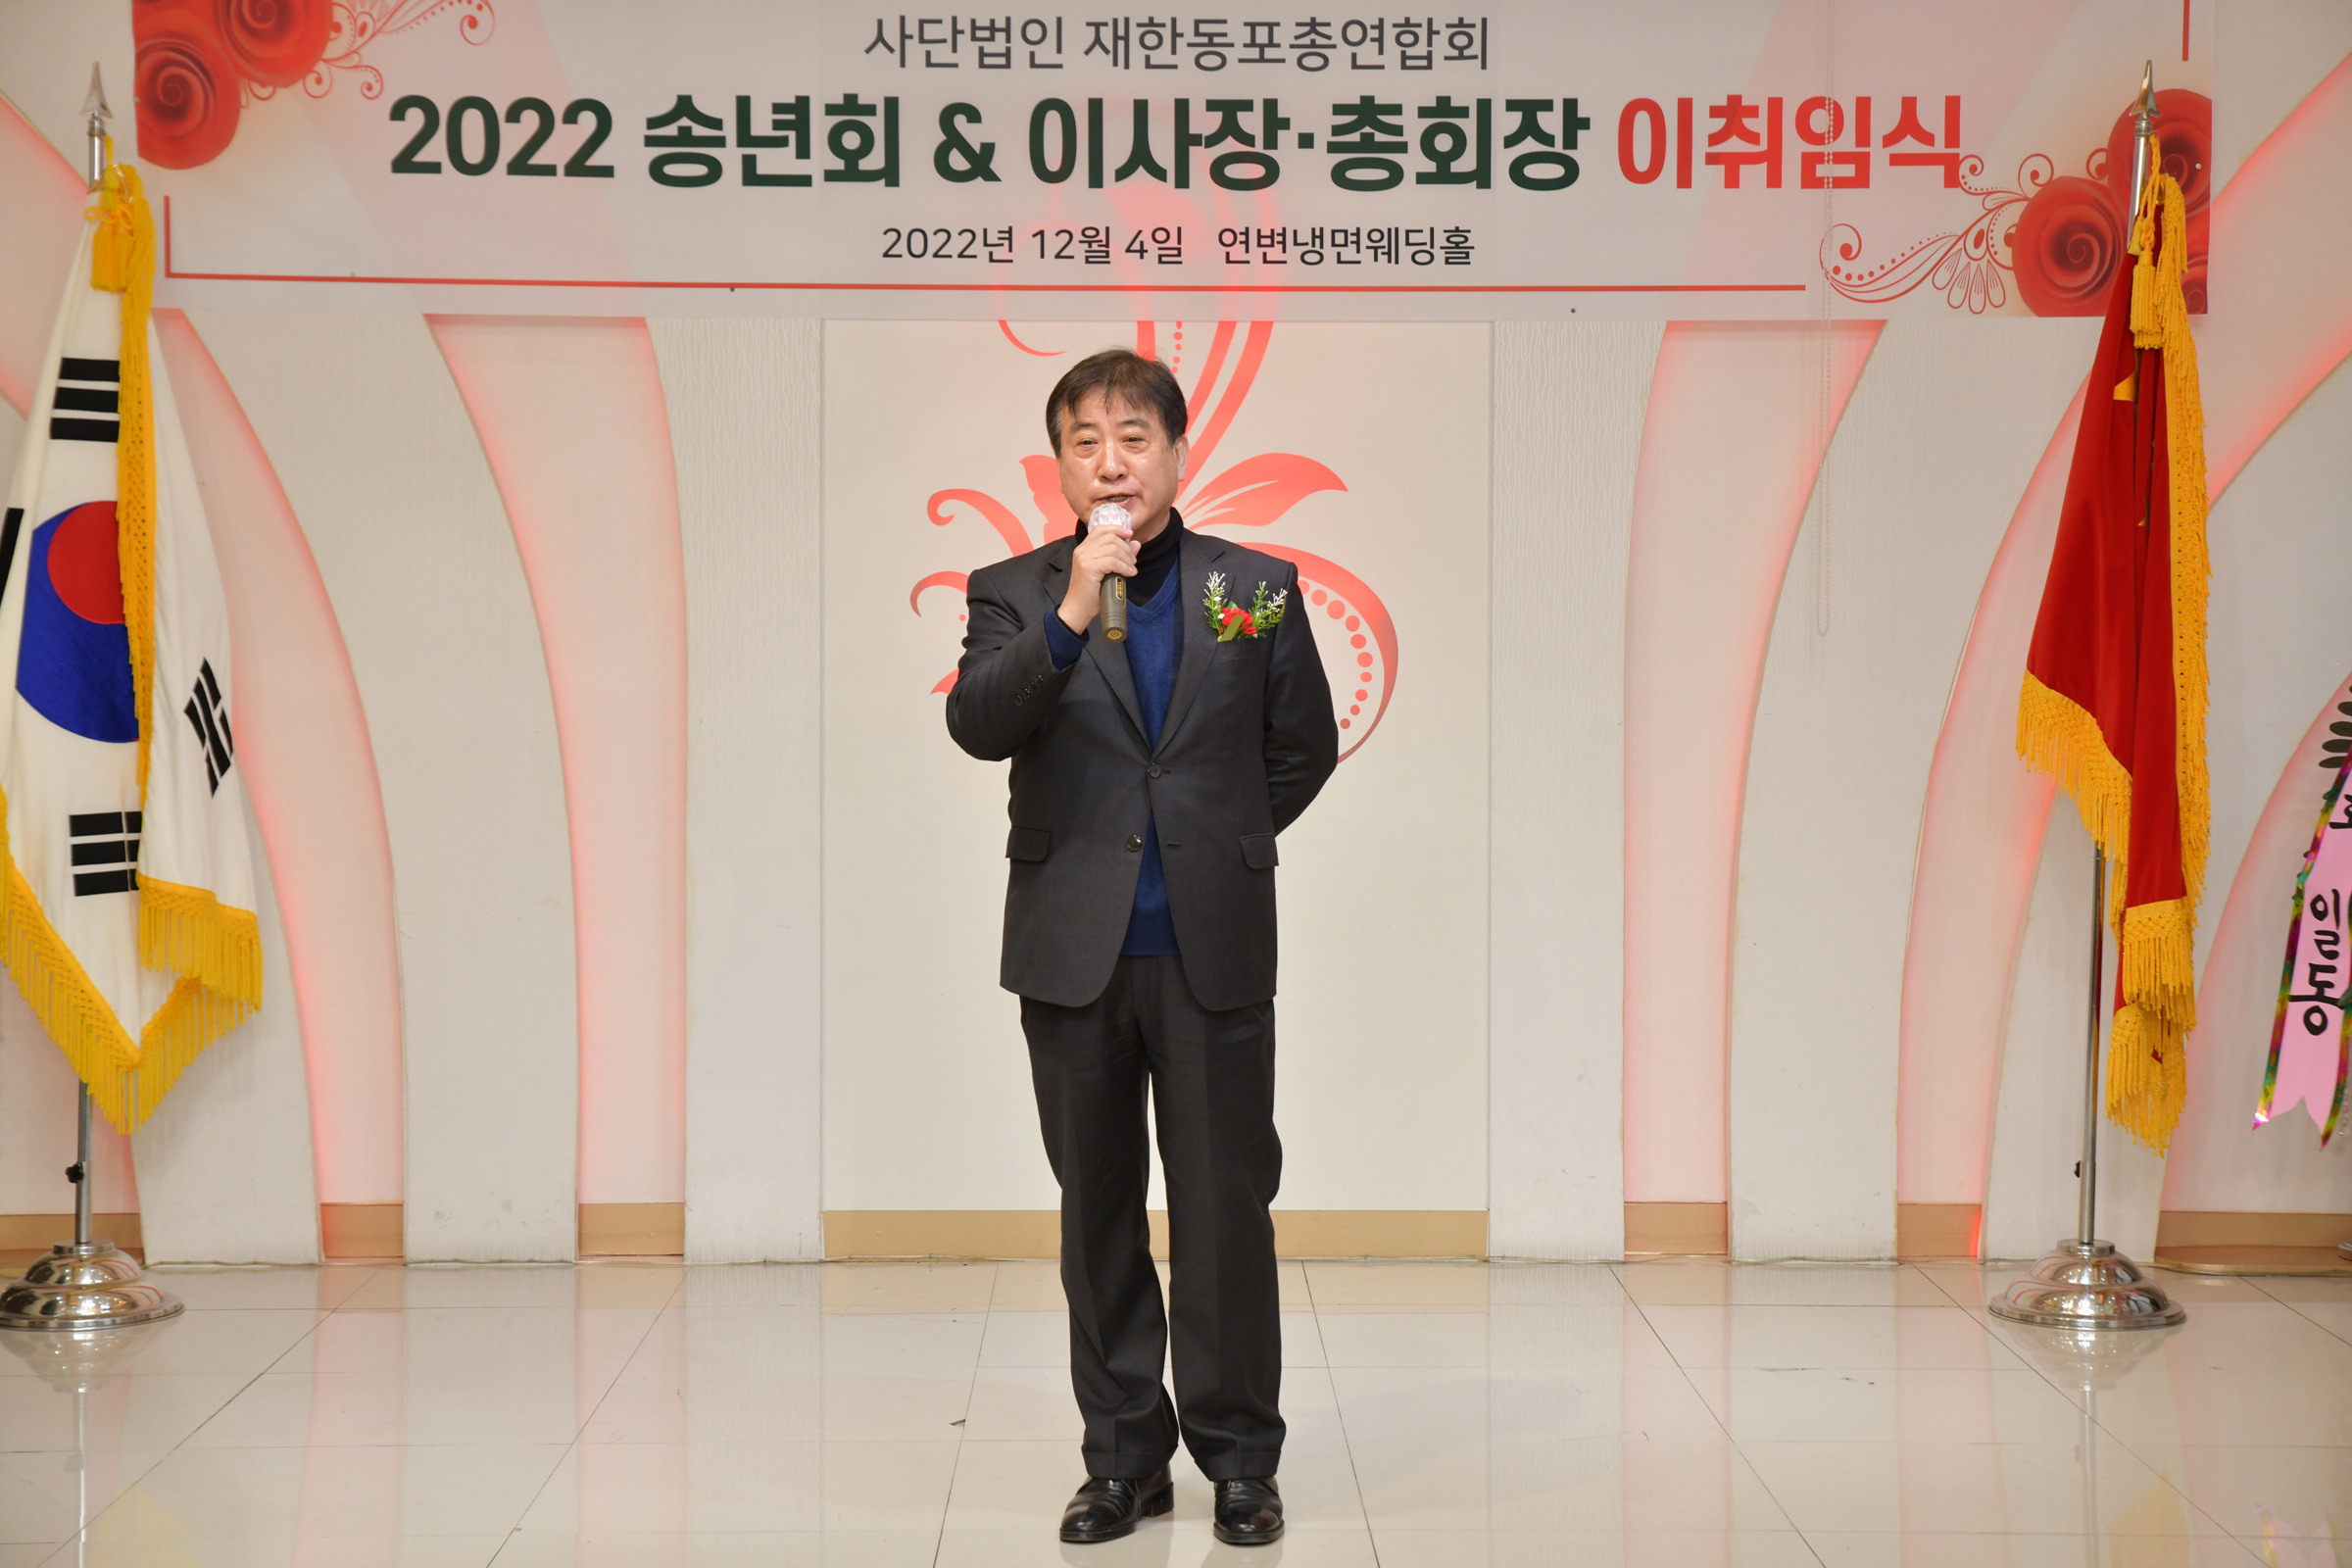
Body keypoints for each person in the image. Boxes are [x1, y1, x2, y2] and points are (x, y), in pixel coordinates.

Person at [947, 349, 1339, 1545]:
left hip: (1210, 945)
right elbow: (978, 723)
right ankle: (1123, 1459)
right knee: (1099, 1212)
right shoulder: (1015, 590)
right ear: (1059, 464)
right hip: (1073, 951)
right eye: (1086, 441)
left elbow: (1302, 746)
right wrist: (1073, 611)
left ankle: (1240, 1460)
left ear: (1177, 452)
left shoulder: (1253, 585)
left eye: (1133, 437)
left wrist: (1211, 840)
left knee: (1226, 1213)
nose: (1111, 462)